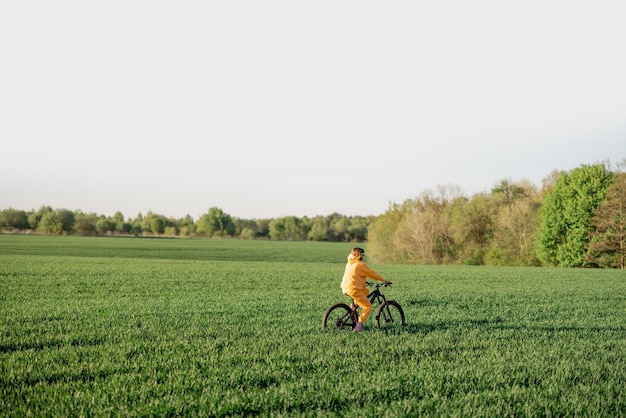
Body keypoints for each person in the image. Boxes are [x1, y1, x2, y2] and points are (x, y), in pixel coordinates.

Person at [340, 247, 391, 332]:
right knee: (367, 306)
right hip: (354, 289)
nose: (363, 257)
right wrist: (384, 280)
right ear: (360, 255)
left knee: (365, 292)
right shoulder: (360, 265)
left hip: (345, 287)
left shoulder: (350, 263)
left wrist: (362, 282)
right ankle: (358, 326)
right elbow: (372, 274)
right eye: (363, 255)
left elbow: (354, 275)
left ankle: (353, 308)